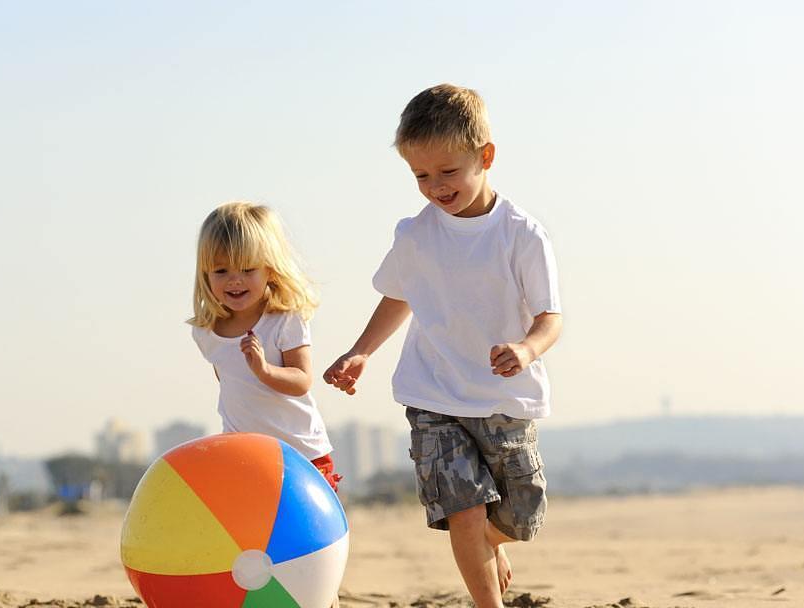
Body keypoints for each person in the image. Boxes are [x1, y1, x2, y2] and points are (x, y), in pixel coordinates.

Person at [323, 84, 562, 608]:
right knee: (465, 509)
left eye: (447, 172)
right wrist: (361, 350)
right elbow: (397, 297)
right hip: (432, 395)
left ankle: (484, 547)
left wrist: (525, 349)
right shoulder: (416, 235)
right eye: (420, 176)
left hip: (504, 399)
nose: (435, 187)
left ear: (486, 156)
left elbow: (550, 318)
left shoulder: (521, 235)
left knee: (522, 515)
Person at [190, 201, 341, 492]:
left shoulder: (284, 319)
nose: (235, 280)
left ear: (269, 270)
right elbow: (231, 386)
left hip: (301, 453)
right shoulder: (206, 332)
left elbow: (301, 381)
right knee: (250, 535)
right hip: (245, 455)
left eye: (247, 269)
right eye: (221, 271)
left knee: (304, 535)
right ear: (205, 274)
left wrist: (264, 369)